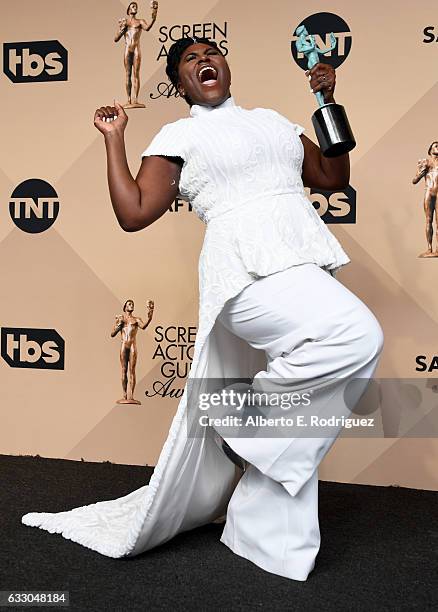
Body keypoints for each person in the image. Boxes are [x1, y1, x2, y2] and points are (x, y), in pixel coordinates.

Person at [22, 36, 384, 581]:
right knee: (357, 334)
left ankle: (267, 539)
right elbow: (135, 212)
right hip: (242, 276)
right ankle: (241, 421)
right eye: (190, 59)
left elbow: (334, 177)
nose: (204, 61)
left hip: (300, 262)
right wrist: (115, 139)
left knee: (309, 409)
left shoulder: (275, 122)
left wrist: (327, 103)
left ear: (227, 67)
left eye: (212, 53)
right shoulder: (179, 135)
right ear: (180, 81)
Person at [412, 141, 438, 257]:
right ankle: (429, 248)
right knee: (428, 220)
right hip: (429, 192)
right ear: (430, 150)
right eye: (436, 146)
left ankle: (437, 249)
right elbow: (414, 181)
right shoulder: (425, 162)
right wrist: (420, 173)